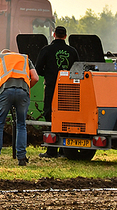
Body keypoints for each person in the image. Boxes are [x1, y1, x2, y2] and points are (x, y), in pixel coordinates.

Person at [0, 49, 39, 166]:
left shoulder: (0, 58)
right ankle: (22, 158)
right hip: (23, 92)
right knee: (21, 124)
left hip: (5, 92)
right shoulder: (25, 59)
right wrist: (27, 87)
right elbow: (35, 78)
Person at [35, 25, 80, 158]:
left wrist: (48, 74)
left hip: (51, 86)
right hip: (68, 89)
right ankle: (64, 150)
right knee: (66, 116)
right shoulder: (72, 51)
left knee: (50, 116)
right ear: (65, 36)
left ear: (54, 35)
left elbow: (37, 69)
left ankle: (51, 151)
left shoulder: (46, 50)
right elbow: (77, 70)